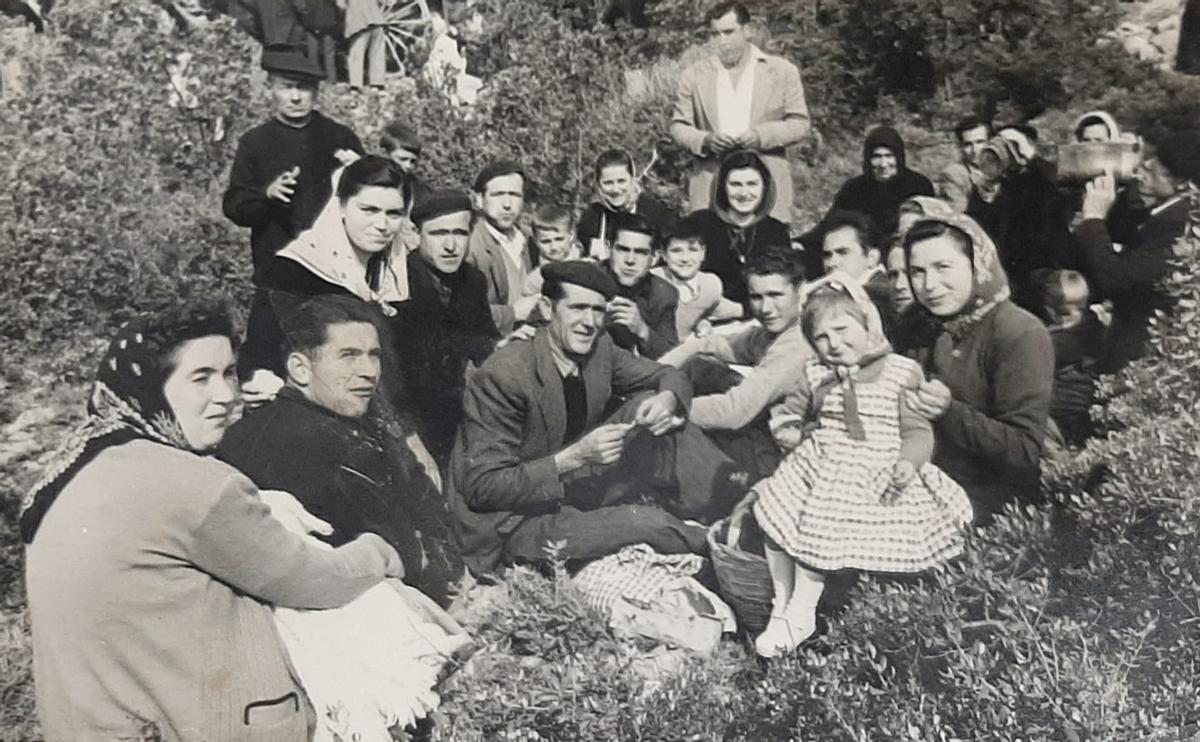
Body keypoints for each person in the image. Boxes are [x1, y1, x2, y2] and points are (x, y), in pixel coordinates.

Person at [23, 302, 404, 741]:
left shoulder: (72, 467)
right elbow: (313, 580)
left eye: (228, 374)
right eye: (200, 378)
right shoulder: (191, 481)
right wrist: (378, 551)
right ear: (151, 386)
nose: (226, 394)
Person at [448, 261, 745, 575]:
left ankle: (736, 508)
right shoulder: (505, 375)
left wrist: (667, 399)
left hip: (569, 483)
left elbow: (668, 374)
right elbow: (483, 488)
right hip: (514, 520)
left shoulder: (598, 347)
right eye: (577, 308)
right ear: (548, 309)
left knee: (651, 404)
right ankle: (725, 549)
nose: (589, 322)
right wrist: (574, 457)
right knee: (645, 523)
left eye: (598, 310)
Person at [746, 276, 972, 656]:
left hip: (875, 471)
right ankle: (781, 605)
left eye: (842, 330)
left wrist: (908, 461)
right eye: (821, 337)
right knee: (773, 511)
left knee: (821, 525)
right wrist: (789, 433)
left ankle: (802, 610)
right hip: (820, 464)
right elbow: (790, 415)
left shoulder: (901, 372)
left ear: (868, 326)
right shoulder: (815, 375)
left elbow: (918, 431)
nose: (834, 344)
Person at [219, 294, 466, 608]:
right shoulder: (301, 441)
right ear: (300, 368)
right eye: (348, 355)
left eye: (373, 355)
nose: (369, 371)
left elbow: (425, 505)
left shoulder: (350, 421)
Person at [901, 212, 1054, 521]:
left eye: (943, 267)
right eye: (917, 271)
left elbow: (1023, 450)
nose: (930, 285)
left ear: (977, 265)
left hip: (992, 500)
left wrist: (949, 413)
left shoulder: (1018, 332)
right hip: (916, 480)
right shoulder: (914, 324)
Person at [222, 46, 364, 373]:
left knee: (335, 365)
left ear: (316, 92)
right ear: (271, 87)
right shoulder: (254, 142)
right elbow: (235, 206)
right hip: (277, 278)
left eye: (304, 87)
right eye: (287, 86)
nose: (296, 96)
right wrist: (266, 196)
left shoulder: (340, 138)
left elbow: (374, 203)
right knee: (264, 368)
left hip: (334, 278)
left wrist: (360, 174)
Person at [236, 155, 410, 389]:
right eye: (369, 210)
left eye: (393, 214)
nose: (382, 224)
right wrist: (262, 379)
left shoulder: (392, 278)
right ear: (340, 207)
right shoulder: (293, 270)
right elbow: (260, 354)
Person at [660, 248, 813, 481]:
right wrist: (652, 373)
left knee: (678, 418)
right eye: (756, 297)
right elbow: (710, 344)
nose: (766, 308)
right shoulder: (770, 333)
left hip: (781, 459)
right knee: (700, 366)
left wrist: (665, 407)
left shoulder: (798, 340)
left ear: (800, 291)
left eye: (775, 295)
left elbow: (734, 412)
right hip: (766, 437)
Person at [670, 1, 810, 224]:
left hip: (767, 180)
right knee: (712, 251)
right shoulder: (694, 75)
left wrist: (761, 136)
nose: (721, 41)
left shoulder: (782, 71)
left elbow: (800, 124)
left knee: (769, 252)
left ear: (747, 30)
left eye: (728, 32)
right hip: (711, 184)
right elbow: (678, 126)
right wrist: (705, 140)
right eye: (715, 34)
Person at [1074, 129, 1199, 372]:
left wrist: (1093, 218)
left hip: (1139, 362)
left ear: (1183, 182)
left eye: (1153, 172)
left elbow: (1115, 279)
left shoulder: (1177, 226)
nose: (1142, 174)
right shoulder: (1167, 215)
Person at [391, 190, 500, 465]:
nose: (451, 245)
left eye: (460, 233)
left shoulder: (472, 280)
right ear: (417, 235)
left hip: (455, 413)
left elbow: (484, 343)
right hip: (406, 417)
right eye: (438, 234)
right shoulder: (397, 281)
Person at [688, 150, 791, 305]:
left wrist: (742, 311)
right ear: (722, 187)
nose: (744, 193)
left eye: (752, 184)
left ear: (764, 187)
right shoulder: (698, 224)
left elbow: (782, 290)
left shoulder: (777, 232)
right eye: (735, 184)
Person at [825, 125, 935, 243]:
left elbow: (932, 228)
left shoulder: (919, 185)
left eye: (889, 156)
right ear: (868, 159)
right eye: (876, 157)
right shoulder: (854, 189)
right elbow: (831, 224)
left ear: (899, 158)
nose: (883, 164)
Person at [468, 159, 539, 334]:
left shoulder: (533, 239)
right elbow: (462, 312)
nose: (507, 204)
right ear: (479, 199)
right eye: (498, 194)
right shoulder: (469, 244)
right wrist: (513, 313)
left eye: (514, 195)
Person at [1038, 270, 1104, 445]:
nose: (1062, 319)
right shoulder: (1093, 327)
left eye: (1065, 313)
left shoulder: (1061, 340)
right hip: (1082, 401)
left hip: (1067, 403)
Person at [651, 212, 744, 338]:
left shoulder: (710, 284)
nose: (685, 258)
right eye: (676, 251)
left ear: (703, 253)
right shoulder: (651, 282)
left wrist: (702, 323)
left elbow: (709, 310)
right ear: (664, 255)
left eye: (693, 250)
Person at [576, 148, 676, 261]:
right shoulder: (592, 216)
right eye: (608, 183)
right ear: (598, 185)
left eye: (621, 181)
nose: (616, 190)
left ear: (633, 179)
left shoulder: (657, 215)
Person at [604, 213, 680, 359]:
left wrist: (642, 330)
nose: (630, 260)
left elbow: (672, 356)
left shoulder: (663, 294)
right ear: (609, 248)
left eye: (640, 252)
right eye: (623, 249)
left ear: (654, 257)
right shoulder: (586, 279)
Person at [523, 204, 583, 296]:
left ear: (571, 235)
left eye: (559, 239)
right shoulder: (534, 280)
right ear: (536, 241)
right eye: (546, 241)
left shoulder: (587, 267)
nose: (554, 247)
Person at [935, 117, 993, 212]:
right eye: (968, 145)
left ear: (990, 142)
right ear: (960, 147)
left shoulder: (1004, 170)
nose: (975, 150)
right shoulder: (954, 174)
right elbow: (958, 212)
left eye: (980, 142)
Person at [345, 0, 386, 90]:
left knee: (356, 54)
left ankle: (355, 84)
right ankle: (377, 83)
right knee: (377, 53)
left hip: (361, 22)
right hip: (378, 21)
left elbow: (340, 5)